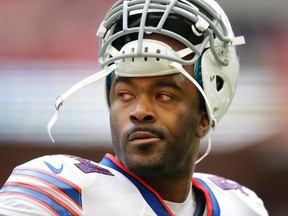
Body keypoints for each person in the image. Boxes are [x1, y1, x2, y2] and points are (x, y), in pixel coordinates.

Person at [0, 0, 268, 215]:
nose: (139, 110)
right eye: (125, 94)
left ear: (204, 116)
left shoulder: (242, 206)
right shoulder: (61, 191)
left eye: (163, 95)